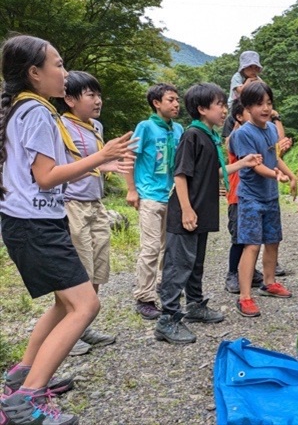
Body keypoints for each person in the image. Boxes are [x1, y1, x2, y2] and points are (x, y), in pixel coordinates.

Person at [0, 35, 135, 424]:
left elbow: (34, 173)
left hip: (27, 222)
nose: (65, 72)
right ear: (34, 72)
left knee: (65, 302)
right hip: (36, 224)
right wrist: (102, 154)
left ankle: (22, 374)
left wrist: (97, 165)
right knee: (85, 304)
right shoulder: (39, 112)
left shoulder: (24, 108)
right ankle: (25, 401)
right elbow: (45, 177)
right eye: (57, 64)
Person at [155, 83, 262, 344]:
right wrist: (187, 210)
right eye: (219, 105)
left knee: (195, 264)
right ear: (202, 109)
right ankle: (167, 319)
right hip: (186, 213)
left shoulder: (209, 137)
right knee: (178, 265)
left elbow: (212, 172)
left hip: (201, 212)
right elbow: (180, 174)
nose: (224, 110)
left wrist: (242, 163)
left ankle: (194, 306)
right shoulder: (192, 135)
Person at [59, 71, 122, 356]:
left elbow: (94, 163)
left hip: (96, 203)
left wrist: (110, 165)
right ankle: (67, 331)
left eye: (99, 95)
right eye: (90, 95)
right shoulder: (59, 125)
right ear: (70, 99)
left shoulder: (96, 126)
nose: (98, 101)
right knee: (78, 270)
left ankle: (84, 324)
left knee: (97, 266)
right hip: (71, 203)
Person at [230, 81, 297, 318]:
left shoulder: (270, 129)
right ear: (247, 107)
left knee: (273, 240)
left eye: (268, 103)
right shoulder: (243, 133)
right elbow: (256, 165)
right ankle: (245, 296)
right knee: (251, 245)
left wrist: (290, 174)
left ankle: (269, 283)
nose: (266, 108)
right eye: (259, 104)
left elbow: (273, 158)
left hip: (270, 196)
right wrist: (276, 175)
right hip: (250, 198)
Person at [125, 83, 183, 320]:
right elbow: (129, 156)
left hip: (171, 195)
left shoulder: (178, 129)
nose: (176, 104)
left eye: (177, 99)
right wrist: (131, 190)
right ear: (156, 103)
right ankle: (144, 296)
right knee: (149, 248)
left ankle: (160, 284)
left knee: (166, 247)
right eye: (170, 99)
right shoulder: (146, 127)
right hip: (149, 195)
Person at [222, 99, 264, 293]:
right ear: (239, 116)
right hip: (238, 196)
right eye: (249, 110)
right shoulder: (237, 136)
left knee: (253, 237)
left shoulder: (256, 133)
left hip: (254, 194)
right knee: (239, 238)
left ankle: (248, 271)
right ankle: (232, 273)